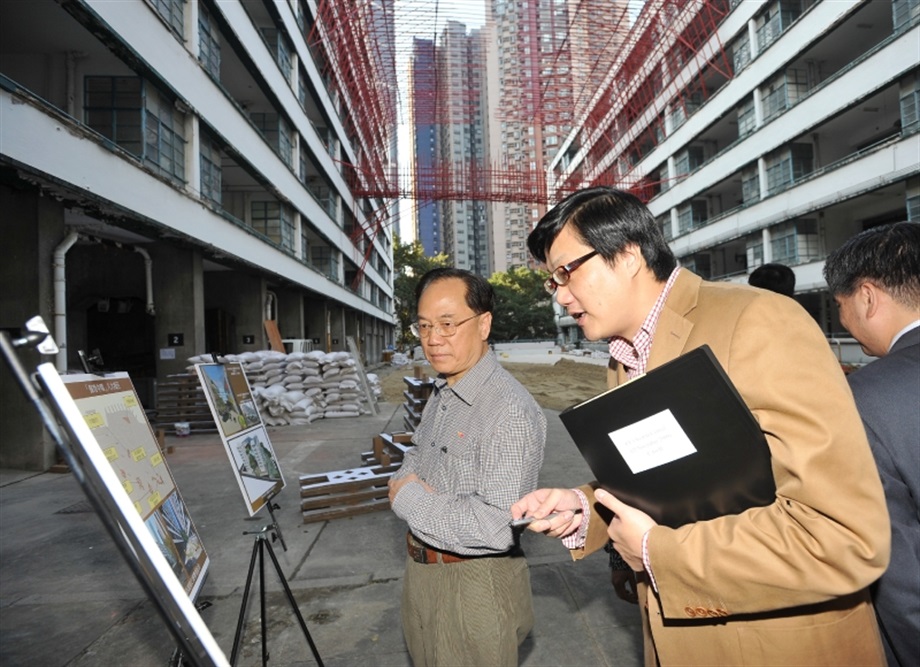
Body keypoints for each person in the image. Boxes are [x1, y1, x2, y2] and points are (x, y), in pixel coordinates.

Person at [511, 186, 890, 666]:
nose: (560, 295)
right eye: (552, 281)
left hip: (774, 646)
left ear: (627, 255)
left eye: (566, 272)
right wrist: (585, 506)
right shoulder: (625, 356)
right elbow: (672, 478)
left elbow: (842, 535)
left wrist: (656, 552)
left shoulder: (758, 321)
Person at [388, 267, 547, 666]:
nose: (433, 339)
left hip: (474, 586)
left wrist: (408, 498)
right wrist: (409, 483)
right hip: (424, 575)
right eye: (423, 326)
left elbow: (494, 526)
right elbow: (415, 457)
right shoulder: (445, 390)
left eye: (447, 324)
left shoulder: (507, 410)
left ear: (484, 324)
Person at [823, 221, 920, 667]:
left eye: (840, 306)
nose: (844, 320)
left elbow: (901, 573)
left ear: (866, 296)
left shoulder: (868, 397)